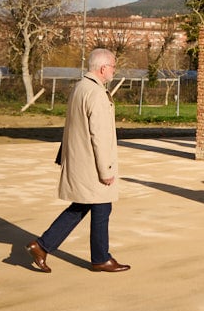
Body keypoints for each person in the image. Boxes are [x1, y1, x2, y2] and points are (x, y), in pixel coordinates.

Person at [26, 48, 130, 273]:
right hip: (92, 164)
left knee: (82, 206)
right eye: (113, 67)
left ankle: (42, 245)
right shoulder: (96, 93)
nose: (114, 71)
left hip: (80, 160)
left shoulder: (80, 87)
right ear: (103, 68)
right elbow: (99, 136)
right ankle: (101, 258)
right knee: (101, 209)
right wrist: (106, 170)